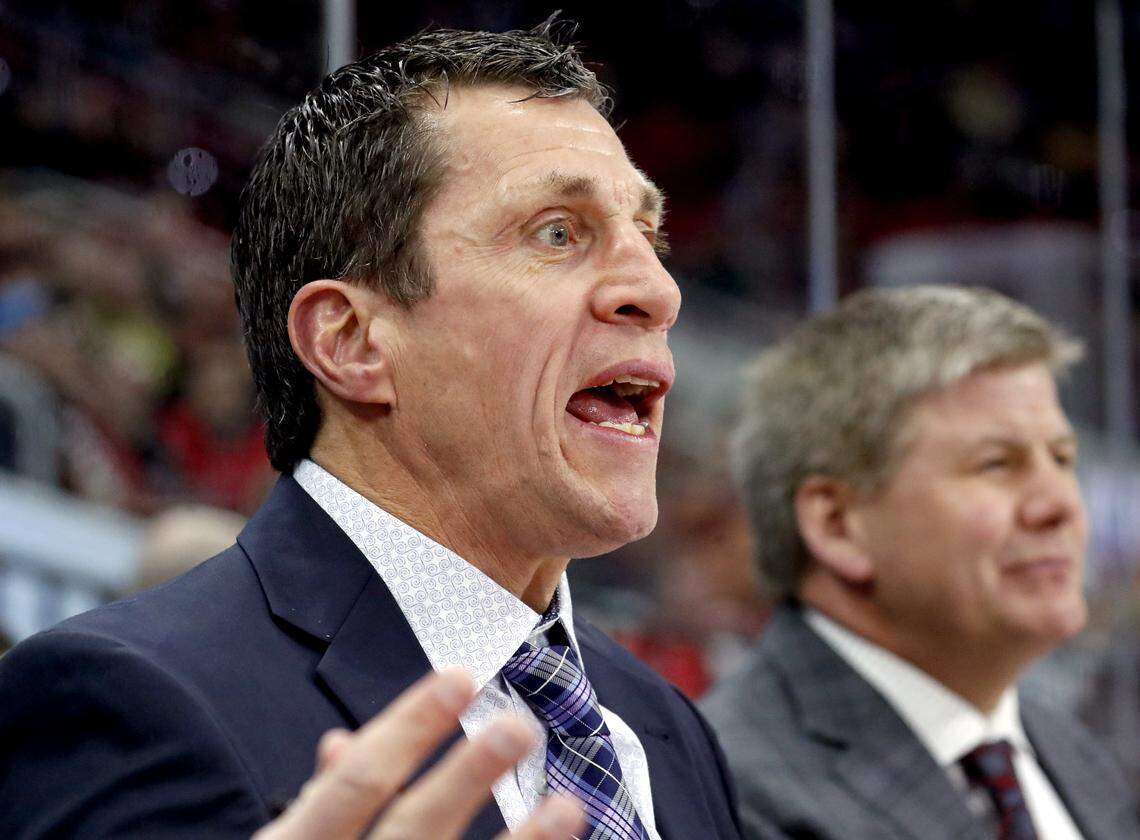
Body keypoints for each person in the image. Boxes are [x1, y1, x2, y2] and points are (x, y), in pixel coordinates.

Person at [0, 20, 741, 840]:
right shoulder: (123, 702)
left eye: (650, 235)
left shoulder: (670, 729)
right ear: (351, 342)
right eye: (558, 232)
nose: (659, 291)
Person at [702, 285, 1140, 839]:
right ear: (838, 525)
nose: (1060, 505)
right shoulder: (726, 792)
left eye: (1062, 458)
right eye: (996, 464)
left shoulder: (1074, 753)